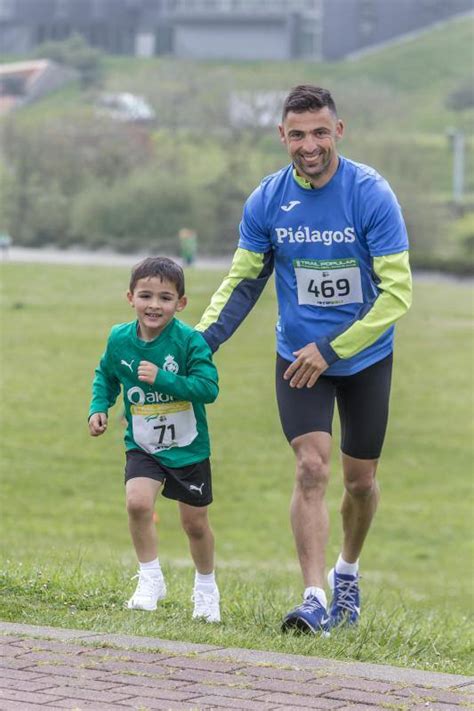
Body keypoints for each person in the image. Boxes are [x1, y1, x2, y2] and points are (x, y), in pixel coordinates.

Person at [196, 85, 412, 635]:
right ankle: (314, 598)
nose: (309, 145)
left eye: (320, 132)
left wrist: (334, 348)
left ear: (339, 130)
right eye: (298, 134)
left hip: (363, 358)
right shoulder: (267, 200)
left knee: (359, 482)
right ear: (282, 136)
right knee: (311, 466)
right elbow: (243, 280)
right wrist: (199, 343)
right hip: (296, 359)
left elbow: (397, 295)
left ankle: (347, 573)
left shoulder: (370, 194)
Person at [89, 256, 220, 622]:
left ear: (181, 303)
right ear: (130, 297)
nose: (154, 305)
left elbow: (209, 388)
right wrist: (99, 407)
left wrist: (163, 379)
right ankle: (150, 579)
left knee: (194, 524)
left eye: (165, 298)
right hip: (143, 443)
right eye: (146, 296)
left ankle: (206, 589)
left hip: (188, 447)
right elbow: (106, 374)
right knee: (137, 504)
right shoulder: (120, 339)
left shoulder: (190, 342)